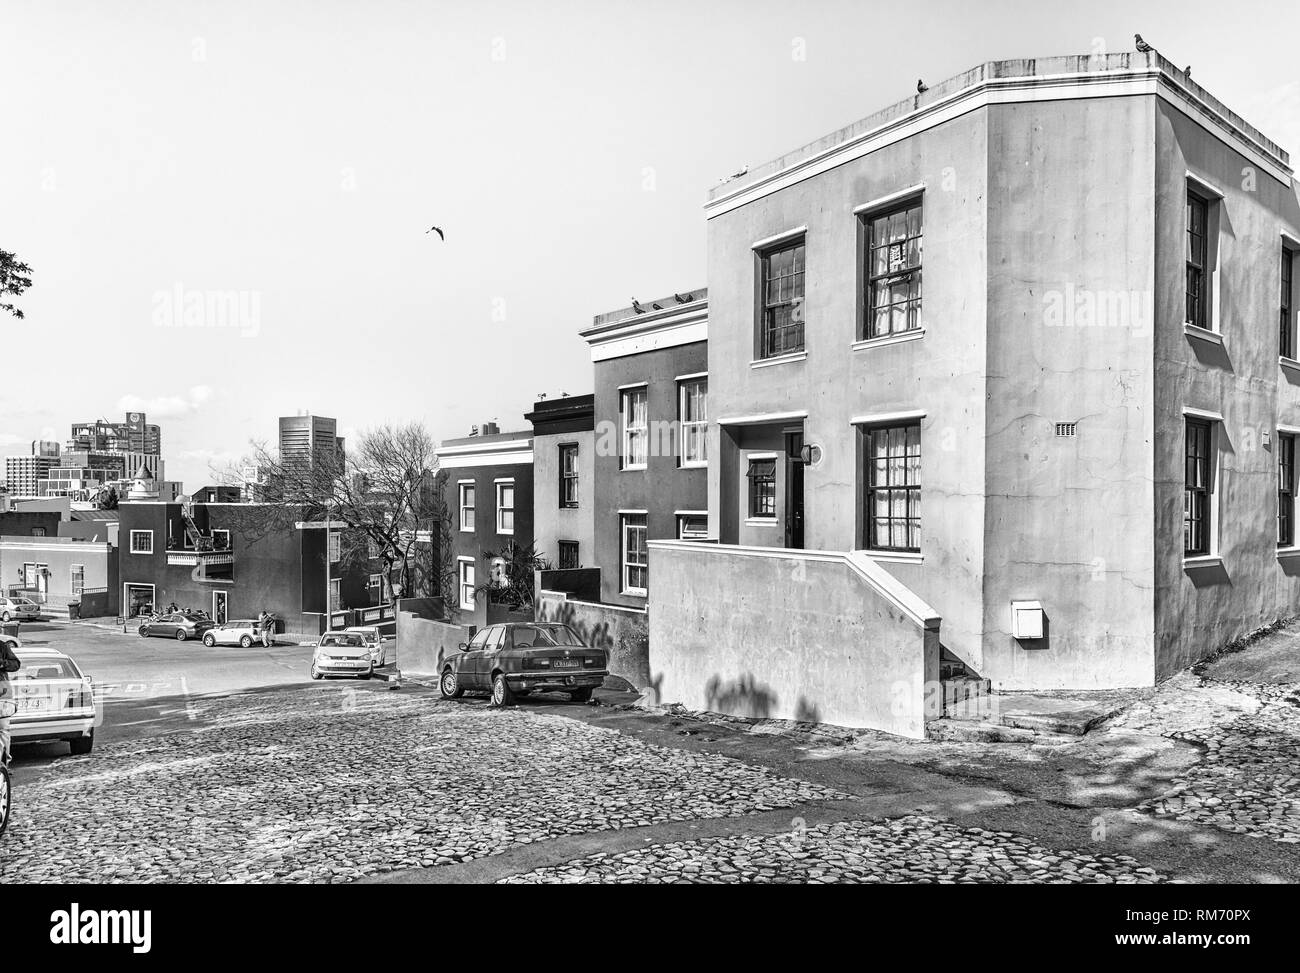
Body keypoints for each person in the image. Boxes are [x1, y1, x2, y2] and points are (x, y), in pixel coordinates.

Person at [0, 638, 21, 762]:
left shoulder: (2, 646)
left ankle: (4, 763)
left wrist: (3, 663)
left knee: (3, 729)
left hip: (2, 694)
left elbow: (16, 664)